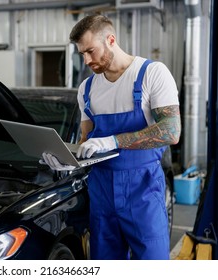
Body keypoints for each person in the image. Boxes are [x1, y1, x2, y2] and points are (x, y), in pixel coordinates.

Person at [42, 14, 181, 260]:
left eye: (90, 51)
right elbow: (86, 142)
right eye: (81, 54)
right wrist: (66, 158)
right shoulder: (87, 89)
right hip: (101, 194)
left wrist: (113, 141)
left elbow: (171, 131)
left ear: (111, 40)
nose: (86, 60)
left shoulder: (152, 74)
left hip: (143, 193)